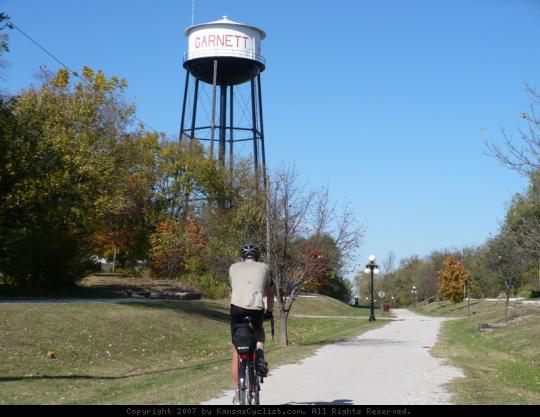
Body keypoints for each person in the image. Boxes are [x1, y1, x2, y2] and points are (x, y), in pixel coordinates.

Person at [229, 243, 274, 405]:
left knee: (236, 347)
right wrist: (269, 312)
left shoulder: (233, 267)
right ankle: (260, 355)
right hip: (256, 310)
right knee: (259, 332)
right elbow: (270, 294)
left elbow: (232, 292)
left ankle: (236, 391)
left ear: (242, 258)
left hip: (236, 310)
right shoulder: (265, 268)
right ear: (257, 258)